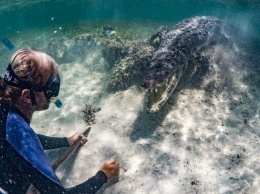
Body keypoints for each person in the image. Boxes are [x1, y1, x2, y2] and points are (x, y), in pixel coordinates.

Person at [0, 48, 120, 194]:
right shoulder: (17, 132)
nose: (54, 94)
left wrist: (65, 141)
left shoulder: (7, 111)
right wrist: (102, 176)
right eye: (51, 88)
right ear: (26, 96)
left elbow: (26, 141)